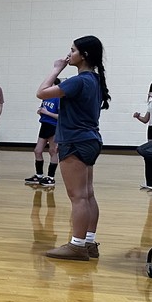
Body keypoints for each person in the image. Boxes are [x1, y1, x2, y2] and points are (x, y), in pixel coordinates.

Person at [36, 35, 111, 261]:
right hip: (90, 139)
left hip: (75, 140)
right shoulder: (94, 80)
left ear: (84, 55)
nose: (69, 54)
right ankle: (88, 242)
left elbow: (41, 92)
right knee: (87, 194)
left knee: (78, 196)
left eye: (72, 50)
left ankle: (77, 246)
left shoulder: (78, 81)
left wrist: (56, 69)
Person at [25, 86, 60, 186]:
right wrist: (41, 112)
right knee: (38, 150)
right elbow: (44, 111)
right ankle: (39, 175)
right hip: (45, 125)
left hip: (54, 126)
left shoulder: (59, 99)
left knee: (53, 151)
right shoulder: (46, 98)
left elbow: (61, 116)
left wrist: (47, 113)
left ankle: (50, 177)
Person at [132, 81, 152, 191]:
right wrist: (138, 116)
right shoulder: (150, 104)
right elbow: (146, 120)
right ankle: (150, 181)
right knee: (148, 155)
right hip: (151, 128)